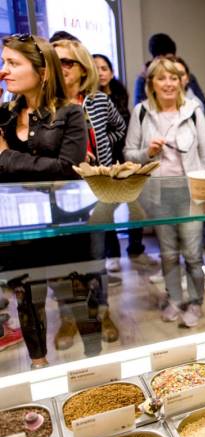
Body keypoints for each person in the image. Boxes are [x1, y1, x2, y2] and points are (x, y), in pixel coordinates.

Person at [0, 33, 89, 368]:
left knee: (77, 299)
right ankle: (39, 364)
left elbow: (67, 170)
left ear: (43, 72)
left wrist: (6, 157)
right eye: (3, 62)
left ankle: (94, 364)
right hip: (17, 229)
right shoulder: (5, 115)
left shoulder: (69, 114)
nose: (4, 70)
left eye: (13, 63)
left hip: (63, 225)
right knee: (27, 301)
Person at [124, 58, 205, 327]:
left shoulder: (193, 110)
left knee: (193, 255)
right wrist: (147, 152)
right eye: (162, 78)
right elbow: (129, 154)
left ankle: (196, 302)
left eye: (173, 78)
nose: (168, 84)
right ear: (151, 82)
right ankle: (175, 298)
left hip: (191, 194)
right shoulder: (141, 112)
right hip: (158, 195)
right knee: (167, 254)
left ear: (181, 81)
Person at [49, 39, 125, 348]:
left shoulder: (98, 101)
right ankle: (68, 318)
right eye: (56, 62)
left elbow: (119, 128)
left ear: (83, 69)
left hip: (95, 192)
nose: (61, 68)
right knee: (59, 262)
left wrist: (100, 149)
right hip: (56, 196)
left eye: (67, 62)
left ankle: (102, 312)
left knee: (96, 258)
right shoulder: (45, 104)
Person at [93, 53, 157, 272]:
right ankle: (113, 254)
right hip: (102, 161)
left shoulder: (121, 94)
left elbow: (125, 129)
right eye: (96, 68)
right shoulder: (89, 99)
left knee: (135, 207)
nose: (101, 72)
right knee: (106, 208)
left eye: (104, 68)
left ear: (111, 72)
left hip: (126, 158)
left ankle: (136, 248)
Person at [134, 33, 205, 116]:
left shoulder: (185, 75)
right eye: (165, 59)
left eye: (171, 58)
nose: (169, 63)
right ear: (156, 59)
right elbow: (140, 113)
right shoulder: (144, 78)